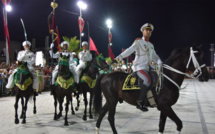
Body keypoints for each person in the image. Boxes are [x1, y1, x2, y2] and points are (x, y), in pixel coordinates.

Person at [115, 23, 162, 111]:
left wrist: (160, 62)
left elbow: (155, 56)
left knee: (157, 79)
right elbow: (130, 50)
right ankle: (140, 102)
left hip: (148, 68)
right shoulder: (138, 41)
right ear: (143, 31)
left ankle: (152, 99)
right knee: (147, 80)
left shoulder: (151, 45)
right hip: (139, 67)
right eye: (146, 30)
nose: (148, 32)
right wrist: (120, 57)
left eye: (150, 30)